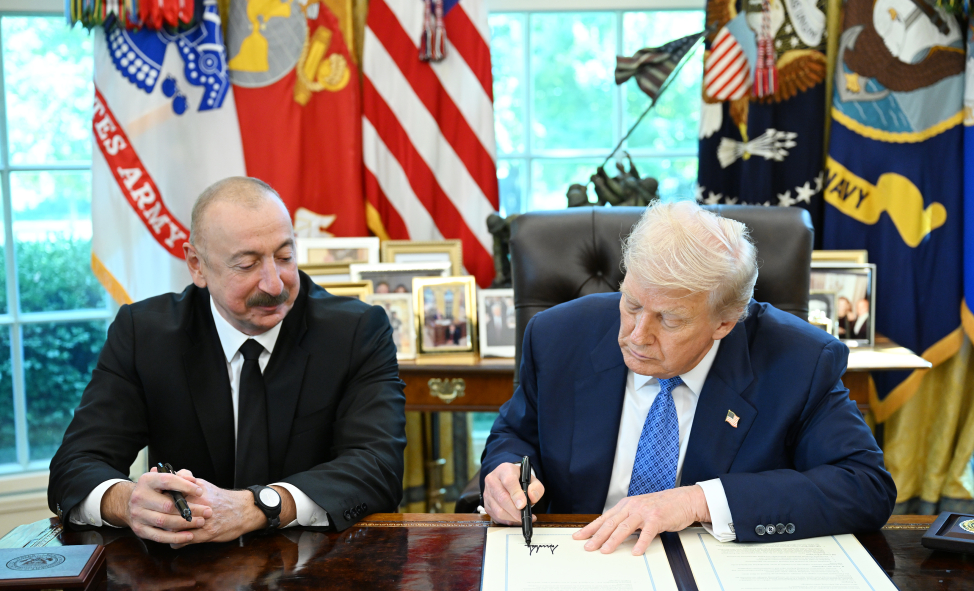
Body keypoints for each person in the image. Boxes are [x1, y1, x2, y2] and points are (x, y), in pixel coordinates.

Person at [480, 201, 895, 556]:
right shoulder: (558, 336)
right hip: (583, 559)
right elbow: (515, 435)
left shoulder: (800, 361)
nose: (637, 336)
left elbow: (865, 486)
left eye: (670, 319)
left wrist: (699, 500)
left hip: (723, 580)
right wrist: (503, 473)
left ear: (725, 323)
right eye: (632, 304)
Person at [48, 177, 406, 546]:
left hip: (320, 566)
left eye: (285, 256)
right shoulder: (144, 334)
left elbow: (379, 467)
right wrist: (130, 503)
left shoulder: (356, 331)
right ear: (197, 265)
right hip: (187, 575)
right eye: (247, 265)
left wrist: (257, 507)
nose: (274, 283)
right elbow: (73, 466)